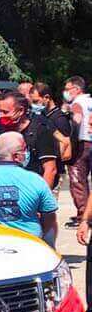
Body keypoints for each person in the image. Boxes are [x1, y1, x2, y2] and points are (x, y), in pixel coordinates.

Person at [0, 91, 59, 188]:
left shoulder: (40, 130)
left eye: (5, 112)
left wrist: (42, 198)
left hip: (31, 188)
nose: (1, 116)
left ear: (21, 111)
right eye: (0, 112)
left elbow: (50, 169)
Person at [30, 82, 73, 182]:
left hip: (54, 171)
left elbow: (67, 151)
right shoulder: (44, 116)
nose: (34, 105)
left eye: (36, 101)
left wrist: (48, 153)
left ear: (47, 97)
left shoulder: (59, 119)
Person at [64, 76, 92, 228]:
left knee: (78, 181)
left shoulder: (77, 102)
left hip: (81, 143)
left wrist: (70, 136)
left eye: (68, 89)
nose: (66, 92)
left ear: (76, 89)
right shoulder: (90, 101)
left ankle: (84, 216)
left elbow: (77, 118)